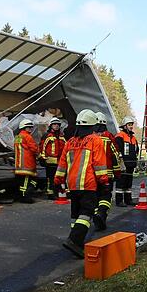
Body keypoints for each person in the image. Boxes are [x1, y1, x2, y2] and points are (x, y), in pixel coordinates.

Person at [54, 109, 112, 258]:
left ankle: (77, 242)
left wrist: (58, 180)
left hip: (72, 184)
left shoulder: (70, 142)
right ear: (93, 126)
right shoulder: (95, 140)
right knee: (86, 213)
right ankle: (74, 240)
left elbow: (62, 164)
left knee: (76, 214)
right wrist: (104, 181)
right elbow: (99, 164)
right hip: (88, 184)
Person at [93, 112, 124, 230]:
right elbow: (115, 155)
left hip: (93, 174)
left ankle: (97, 214)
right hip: (107, 173)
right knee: (106, 196)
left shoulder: (91, 137)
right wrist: (117, 172)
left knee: (95, 196)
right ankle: (101, 214)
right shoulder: (109, 136)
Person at [113, 116, 139, 206]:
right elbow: (118, 150)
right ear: (124, 126)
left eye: (132, 124)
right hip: (123, 164)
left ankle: (128, 200)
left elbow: (136, 150)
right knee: (121, 182)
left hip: (131, 164)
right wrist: (121, 163)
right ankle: (119, 201)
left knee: (129, 182)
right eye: (129, 124)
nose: (131, 126)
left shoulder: (133, 138)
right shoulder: (120, 136)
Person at [13, 119, 40, 203]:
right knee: (27, 182)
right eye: (29, 127)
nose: (30, 129)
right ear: (24, 128)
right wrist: (40, 156)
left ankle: (20, 196)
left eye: (31, 127)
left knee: (22, 182)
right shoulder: (27, 136)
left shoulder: (17, 137)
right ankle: (26, 198)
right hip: (27, 164)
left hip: (19, 164)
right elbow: (34, 148)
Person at [39, 117, 66, 197]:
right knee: (50, 179)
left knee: (60, 178)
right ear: (51, 125)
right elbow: (42, 147)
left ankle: (60, 193)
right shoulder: (47, 135)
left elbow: (66, 148)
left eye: (58, 124)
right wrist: (43, 158)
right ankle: (50, 194)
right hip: (50, 162)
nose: (56, 126)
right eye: (54, 124)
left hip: (60, 162)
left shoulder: (62, 136)